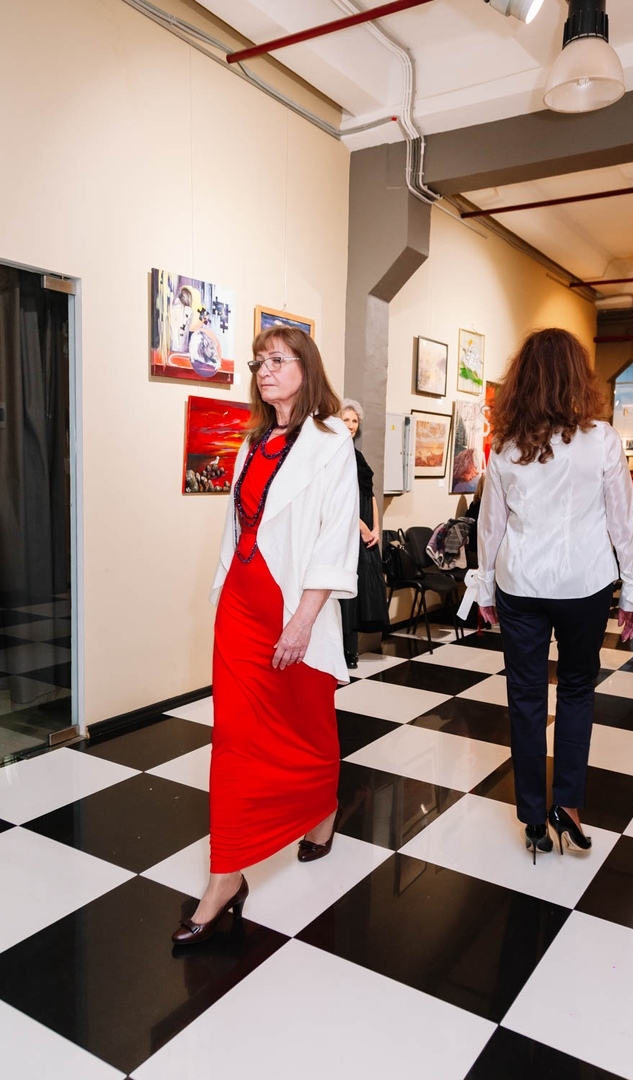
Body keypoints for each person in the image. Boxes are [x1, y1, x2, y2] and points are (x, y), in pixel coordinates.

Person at [172, 326, 359, 945]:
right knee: (233, 738)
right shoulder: (253, 442)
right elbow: (240, 526)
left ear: (307, 367)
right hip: (240, 606)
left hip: (294, 608)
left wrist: (303, 619)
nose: (264, 370)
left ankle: (322, 810)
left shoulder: (332, 441)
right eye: (258, 362)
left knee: (308, 722)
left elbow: (335, 535)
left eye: (277, 360)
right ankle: (225, 876)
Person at [466, 328, 633, 863]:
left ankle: (531, 817)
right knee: (576, 691)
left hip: (520, 584)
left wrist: (484, 586)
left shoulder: (505, 445)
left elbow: (490, 527)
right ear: (577, 377)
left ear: (523, 379)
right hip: (584, 585)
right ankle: (567, 807)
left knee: (524, 698)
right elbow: (624, 521)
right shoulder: (602, 439)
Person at [339, 399, 388, 668]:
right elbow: (339, 500)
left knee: (361, 588)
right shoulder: (335, 455)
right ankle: (344, 652)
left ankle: (352, 648)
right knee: (345, 588)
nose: (351, 426)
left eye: (355, 421)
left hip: (367, 532)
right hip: (348, 530)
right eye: (346, 420)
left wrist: (376, 527)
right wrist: (362, 527)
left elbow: (369, 494)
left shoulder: (357, 455)